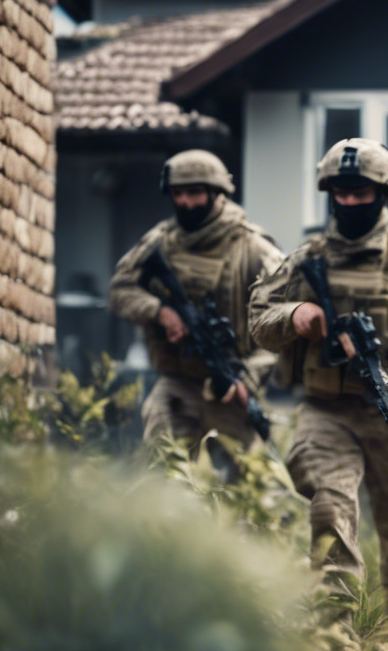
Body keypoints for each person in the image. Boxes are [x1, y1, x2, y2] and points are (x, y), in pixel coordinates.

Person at [248, 138, 388, 651]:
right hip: (326, 413)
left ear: (385, 193)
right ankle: (335, 630)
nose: (350, 202)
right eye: (341, 192)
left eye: (361, 192)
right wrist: (296, 316)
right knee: (330, 507)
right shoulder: (303, 263)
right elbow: (259, 320)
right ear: (329, 193)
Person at [108, 149, 284, 455]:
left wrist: (250, 376)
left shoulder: (252, 247)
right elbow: (120, 291)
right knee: (161, 473)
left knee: (243, 487)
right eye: (178, 193)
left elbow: (284, 319)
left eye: (195, 192)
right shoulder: (159, 242)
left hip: (234, 385)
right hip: (178, 384)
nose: (186, 202)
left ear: (216, 193)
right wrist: (160, 311)